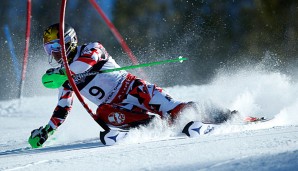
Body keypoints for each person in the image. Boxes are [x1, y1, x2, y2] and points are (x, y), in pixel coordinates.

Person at [28, 23, 234, 148]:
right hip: (118, 108)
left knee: (178, 110)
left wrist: (63, 73)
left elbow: (85, 64)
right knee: (102, 112)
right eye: (49, 49)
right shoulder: (65, 80)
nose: (53, 53)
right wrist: (46, 131)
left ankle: (224, 115)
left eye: (56, 46)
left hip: (133, 89)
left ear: (68, 42)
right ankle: (151, 126)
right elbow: (63, 108)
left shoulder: (91, 48)